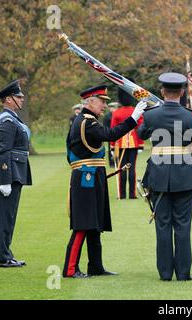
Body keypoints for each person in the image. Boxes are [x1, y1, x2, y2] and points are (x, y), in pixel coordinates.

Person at [63, 85, 146, 278]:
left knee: (94, 224)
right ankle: (70, 269)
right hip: (87, 176)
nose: (103, 106)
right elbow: (111, 135)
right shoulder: (87, 122)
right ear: (90, 102)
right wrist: (134, 118)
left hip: (90, 174)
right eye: (101, 102)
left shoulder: (83, 120)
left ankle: (96, 266)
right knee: (83, 224)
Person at [138, 72, 192, 281]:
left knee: (163, 225)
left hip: (158, 175)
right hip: (184, 175)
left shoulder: (152, 115)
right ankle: (183, 273)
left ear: (162, 91)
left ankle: (164, 273)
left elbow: (140, 135)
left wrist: (145, 115)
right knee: (183, 226)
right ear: (182, 92)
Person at [0, 80, 32, 268]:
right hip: (9, 174)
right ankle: (3, 257)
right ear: (8, 99)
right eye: (18, 97)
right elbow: (3, 151)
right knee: (6, 216)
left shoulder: (12, 117)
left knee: (10, 215)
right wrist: (5, 180)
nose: (22, 99)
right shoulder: (7, 120)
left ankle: (6, 254)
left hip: (16, 171)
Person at [110, 88, 144, 199]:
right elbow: (140, 128)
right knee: (132, 168)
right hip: (134, 143)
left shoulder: (116, 112)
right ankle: (132, 194)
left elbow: (113, 130)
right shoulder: (135, 111)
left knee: (122, 169)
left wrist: (112, 145)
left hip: (120, 143)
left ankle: (122, 194)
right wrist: (141, 143)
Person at [103, 101, 118, 167]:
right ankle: (111, 163)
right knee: (111, 149)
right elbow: (105, 126)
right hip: (110, 134)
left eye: (113, 107)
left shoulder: (118, 114)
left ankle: (118, 161)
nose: (112, 109)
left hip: (118, 133)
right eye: (111, 108)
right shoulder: (107, 116)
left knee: (118, 148)